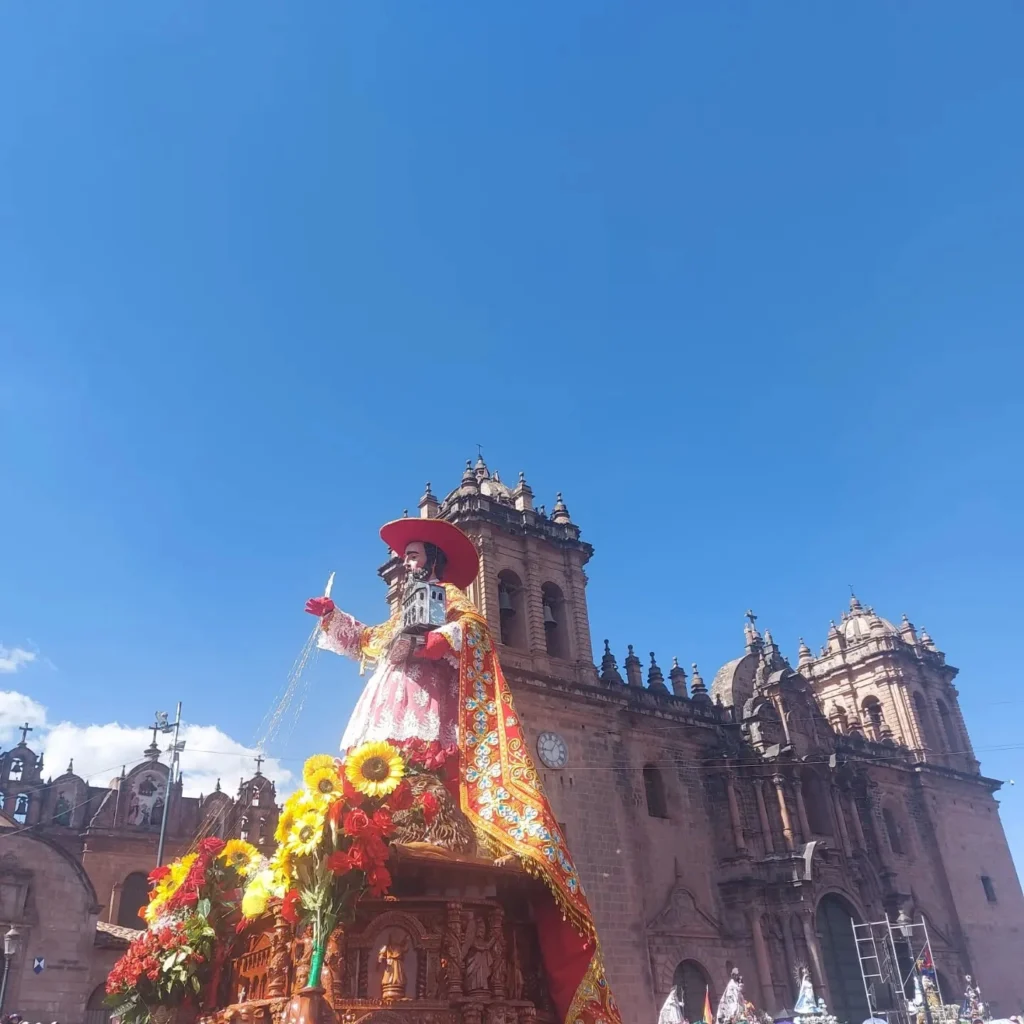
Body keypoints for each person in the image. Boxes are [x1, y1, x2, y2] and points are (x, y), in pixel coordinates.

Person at [306, 517, 620, 1024]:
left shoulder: (450, 596)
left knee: (432, 783)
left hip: (429, 707)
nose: (405, 563)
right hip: (389, 709)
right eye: (403, 556)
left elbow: (470, 635)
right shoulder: (405, 608)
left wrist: (425, 645)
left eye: (412, 555)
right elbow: (369, 641)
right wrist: (333, 618)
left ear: (432, 559)